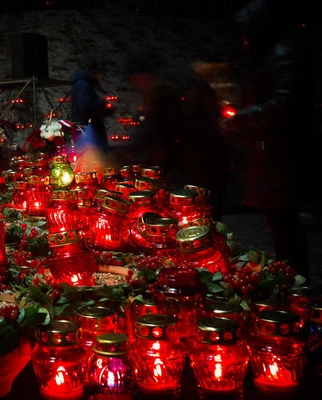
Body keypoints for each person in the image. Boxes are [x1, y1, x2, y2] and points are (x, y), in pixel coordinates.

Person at [221, 0, 317, 279]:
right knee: (279, 223)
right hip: (274, 149)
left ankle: (296, 281)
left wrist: (241, 118)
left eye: (246, 33)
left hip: (282, 151)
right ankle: (291, 276)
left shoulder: (283, 54)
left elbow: (286, 102)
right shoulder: (275, 54)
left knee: (284, 222)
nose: (244, 40)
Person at [124, 51, 230, 221]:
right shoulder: (182, 80)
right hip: (208, 154)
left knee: (197, 211)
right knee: (206, 210)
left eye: (136, 80)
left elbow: (158, 127)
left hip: (197, 159)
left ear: (143, 76)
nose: (137, 85)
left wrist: (131, 153)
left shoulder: (166, 89)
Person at [70, 58, 114, 153]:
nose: (101, 76)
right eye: (100, 73)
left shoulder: (85, 84)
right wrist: (102, 104)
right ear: (93, 71)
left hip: (88, 127)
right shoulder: (83, 84)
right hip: (88, 129)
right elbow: (85, 107)